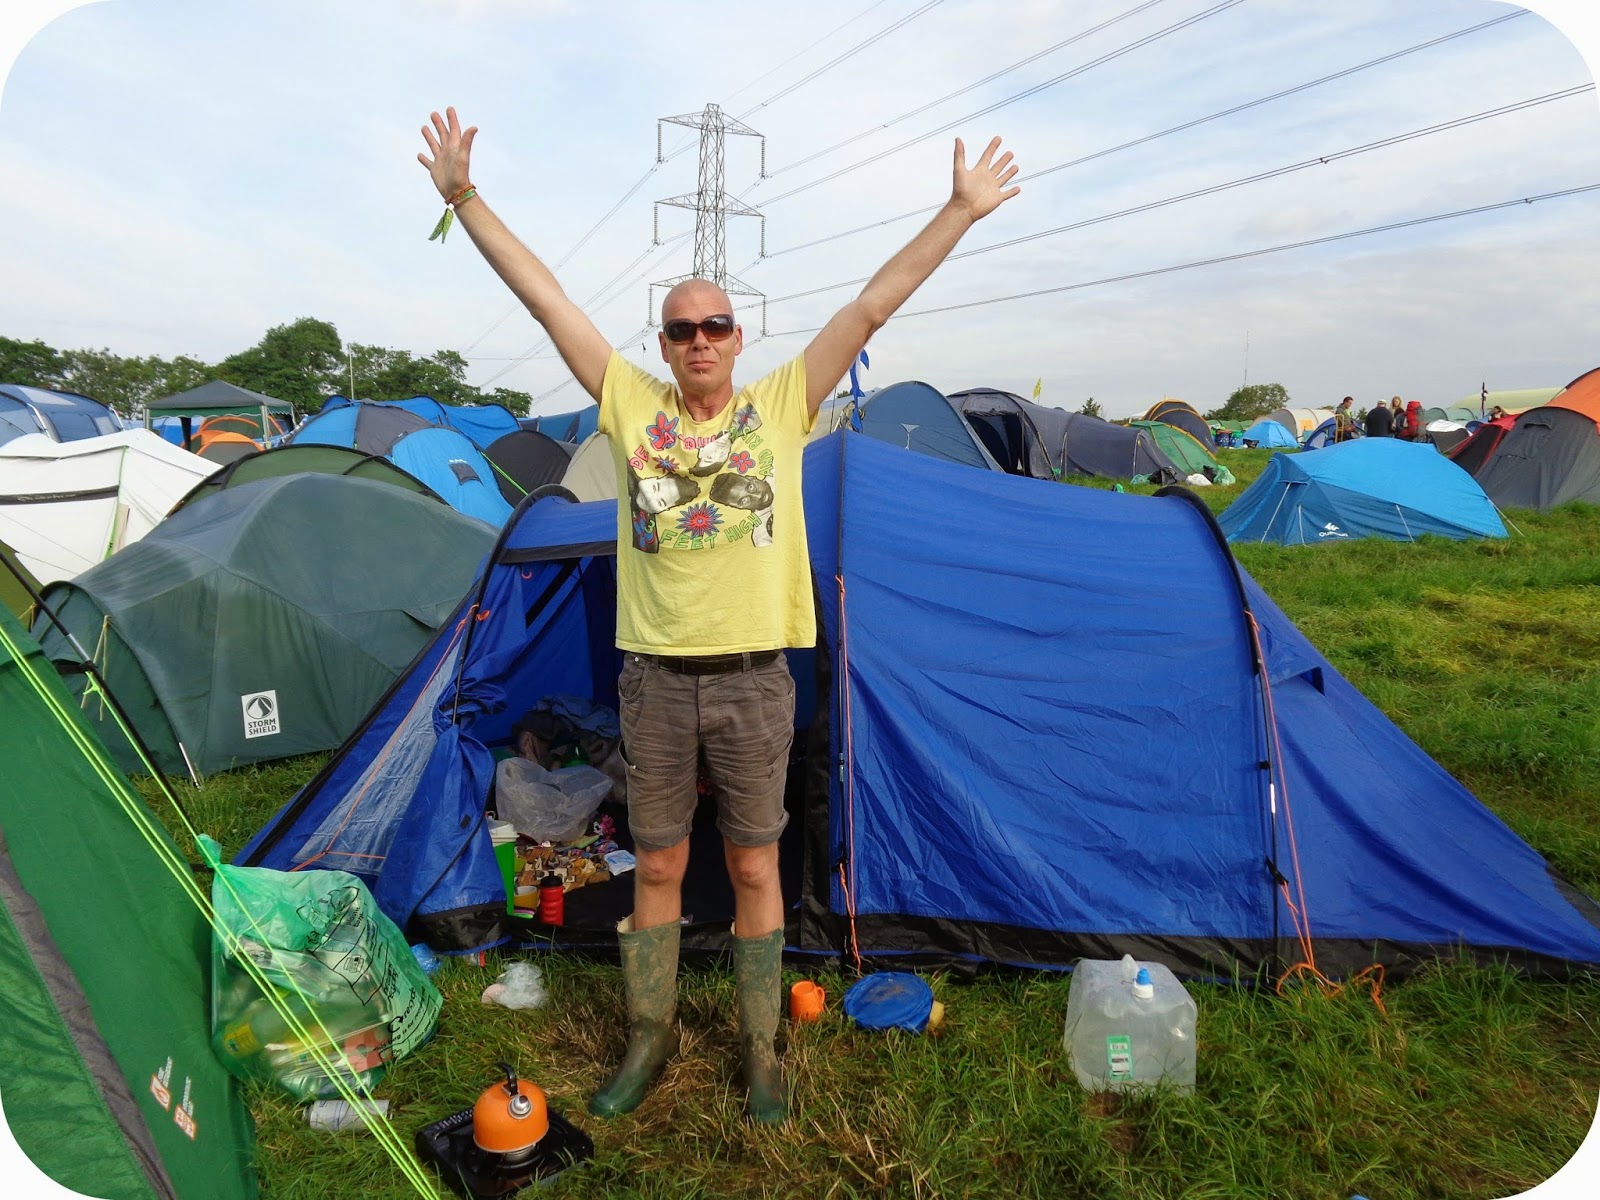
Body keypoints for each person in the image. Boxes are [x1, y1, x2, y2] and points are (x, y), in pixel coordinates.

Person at [418, 106, 1020, 1124]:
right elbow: (546, 299)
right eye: (681, 327)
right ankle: (647, 1043)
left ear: (739, 339)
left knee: (750, 861)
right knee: (656, 861)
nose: (698, 340)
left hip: (752, 680)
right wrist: (465, 200)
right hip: (652, 681)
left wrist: (957, 211)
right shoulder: (630, 405)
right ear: (663, 342)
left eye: (716, 325)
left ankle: (761, 1056)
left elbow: (871, 308)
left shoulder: (782, 403)